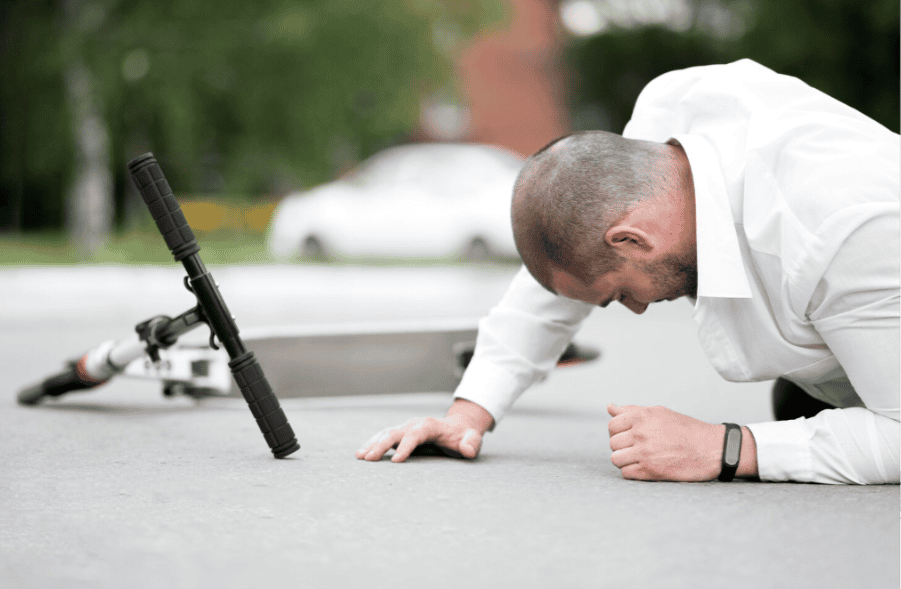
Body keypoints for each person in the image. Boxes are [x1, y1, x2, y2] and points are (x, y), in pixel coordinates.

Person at [356, 59, 900, 485]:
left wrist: (722, 447)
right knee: (797, 404)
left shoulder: (841, 228)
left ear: (633, 240)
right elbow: (566, 264)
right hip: (850, 333)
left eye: (618, 296)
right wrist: (467, 415)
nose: (634, 309)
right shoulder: (662, 130)